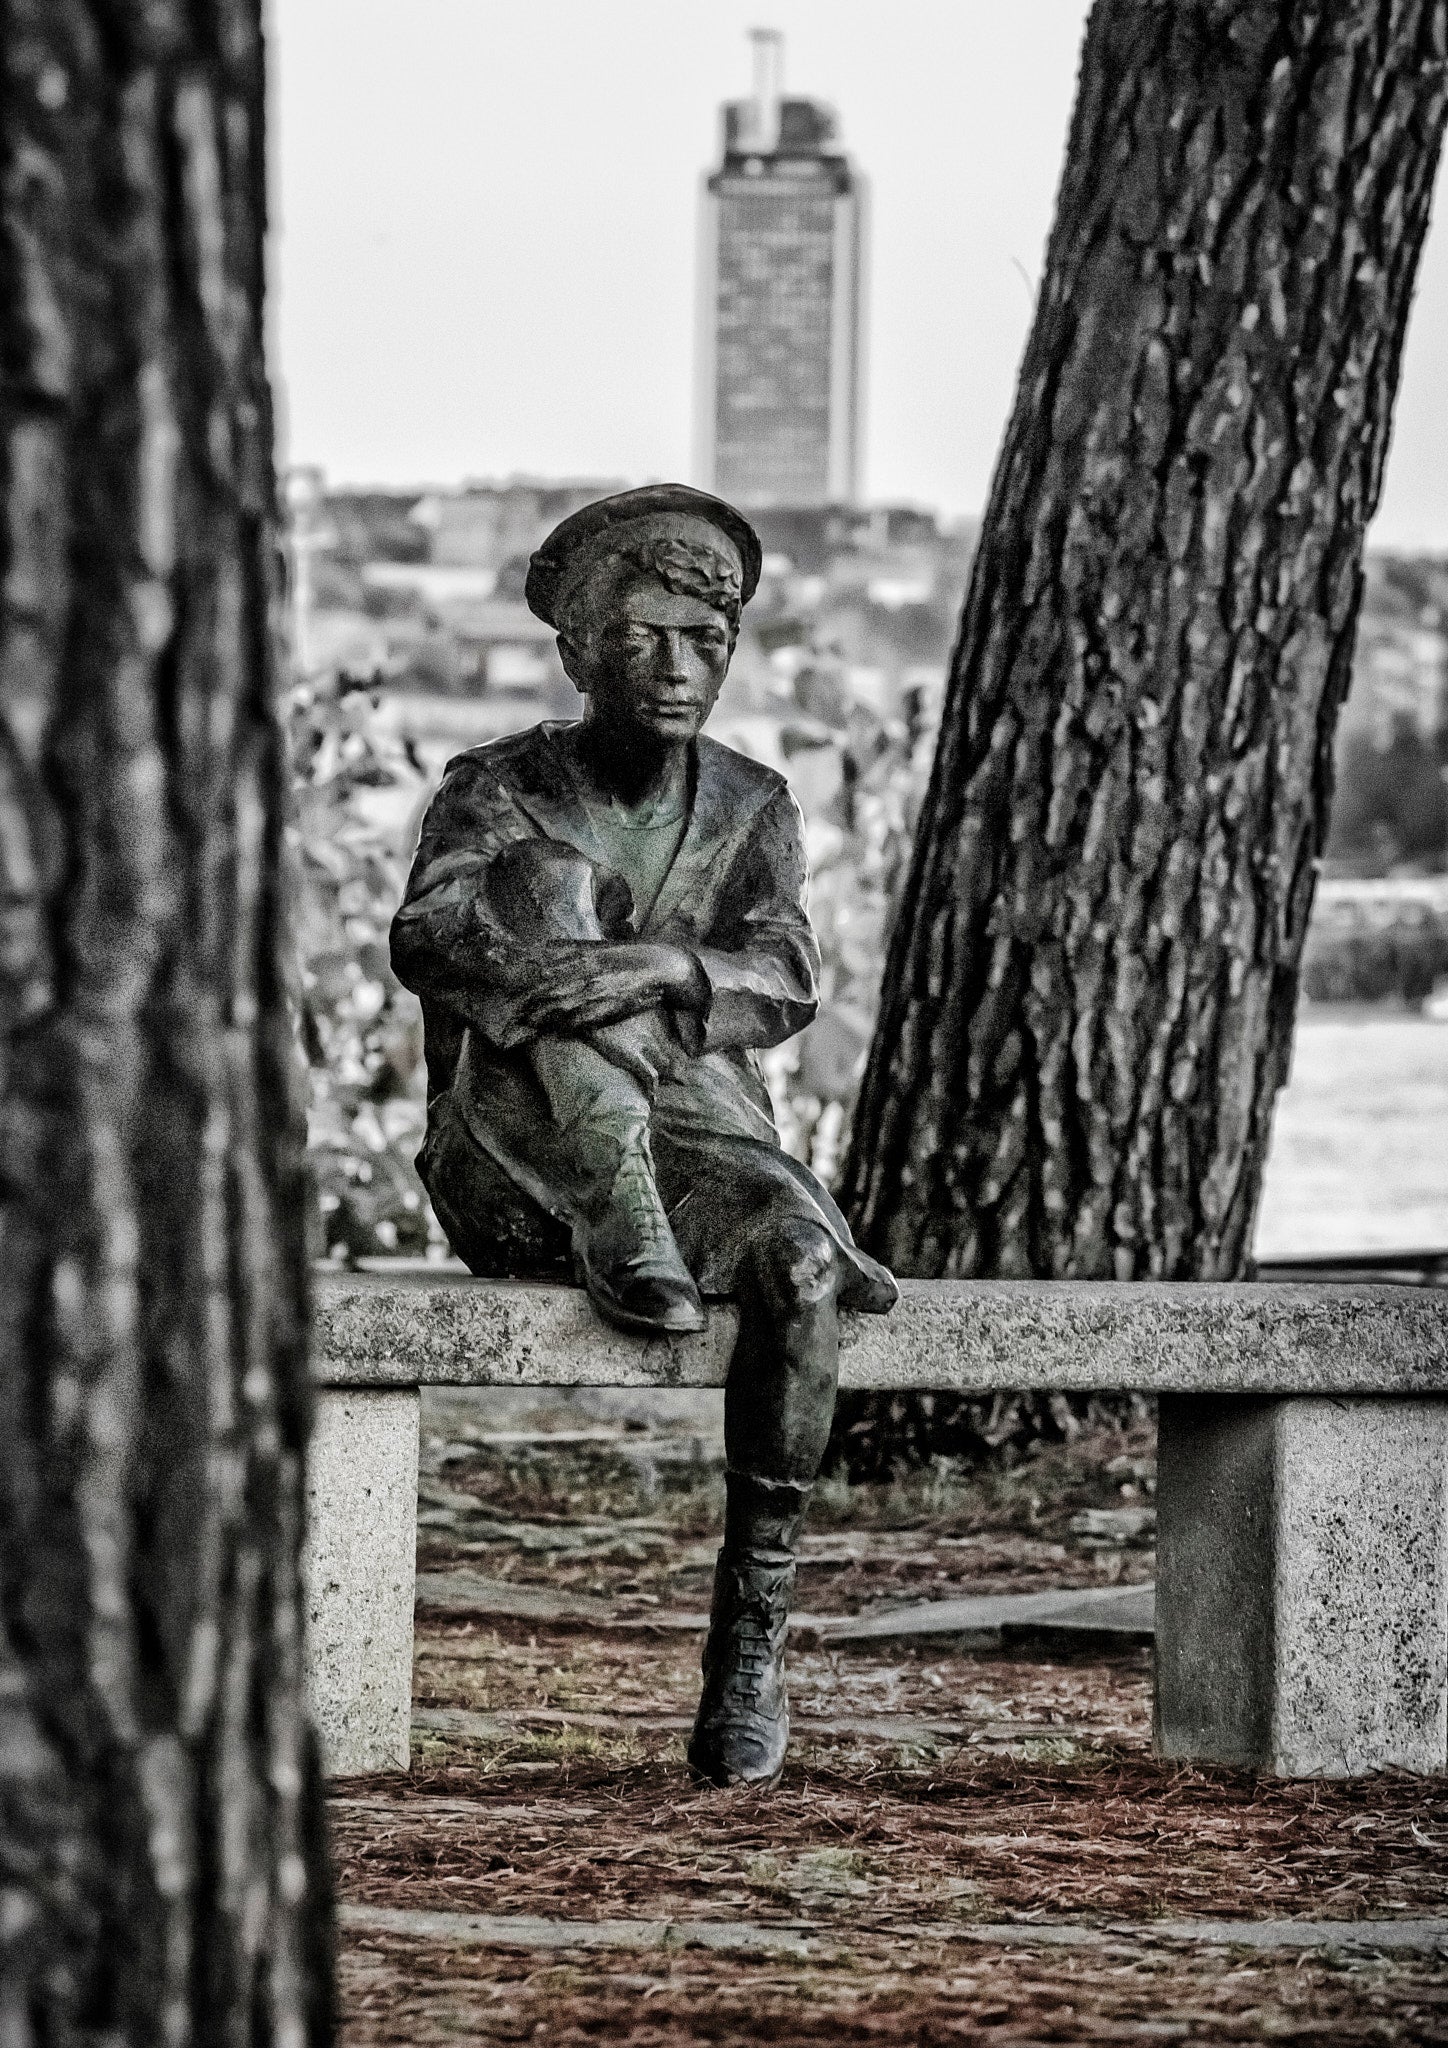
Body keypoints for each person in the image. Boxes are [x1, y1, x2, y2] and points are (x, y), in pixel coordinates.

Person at [390, 484, 897, 1785]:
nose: (680, 667)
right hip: (518, 1157)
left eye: (706, 641)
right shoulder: (496, 787)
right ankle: (613, 1201)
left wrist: (654, 968)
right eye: (646, 636)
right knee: (548, 897)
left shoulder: (750, 804)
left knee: (798, 1265)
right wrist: (551, 966)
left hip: (701, 1149)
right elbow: (428, 936)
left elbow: (784, 975)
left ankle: (750, 1653)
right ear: (577, 652)